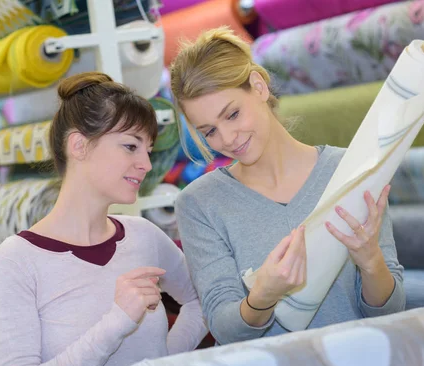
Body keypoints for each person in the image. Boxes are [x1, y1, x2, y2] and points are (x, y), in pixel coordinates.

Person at [169, 27, 406, 345]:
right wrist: (262, 297)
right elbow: (224, 328)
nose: (226, 139)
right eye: (209, 131)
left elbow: (392, 312)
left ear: (258, 86)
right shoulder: (199, 204)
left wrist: (370, 259)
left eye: (233, 114)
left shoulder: (351, 169)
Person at [0, 72, 208, 366]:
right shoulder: (15, 261)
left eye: (148, 149)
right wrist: (117, 321)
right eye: (131, 146)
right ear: (79, 145)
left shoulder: (143, 236)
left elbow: (202, 299)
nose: (146, 164)